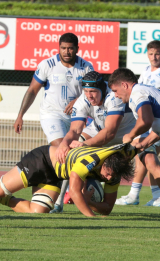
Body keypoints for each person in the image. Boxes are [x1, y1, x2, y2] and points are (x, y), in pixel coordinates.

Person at [14, 32, 94, 214]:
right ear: (59, 48)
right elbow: (32, 91)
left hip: (77, 117)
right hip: (52, 115)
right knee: (61, 150)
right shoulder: (47, 65)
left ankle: (60, 200)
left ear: (77, 49)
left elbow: (93, 91)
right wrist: (20, 115)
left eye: (70, 48)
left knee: (72, 154)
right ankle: (57, 200)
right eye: (63, 48)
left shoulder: (86, 67)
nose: (66, 52)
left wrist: (79, 99)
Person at [0, 143, 136, 217]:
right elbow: (73, 191)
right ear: (104, 163)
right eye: (108, 173)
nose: (107, 178)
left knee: (37, 212)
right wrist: (91, 217)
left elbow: (107, 209)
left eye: (112, 177)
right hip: (40, 161)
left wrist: (89, 202)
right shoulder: (89, 160)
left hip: (55, 175)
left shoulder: (114, 174)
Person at [52, 71, 138, 210]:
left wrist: (84, 144)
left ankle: (136, 194)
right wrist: (64, 143)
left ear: (102, 89)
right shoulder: (82, 100)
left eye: (92, 91)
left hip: (124, 135)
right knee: (69, 151)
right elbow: (74, 130)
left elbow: (110, 133)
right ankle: (59, 202)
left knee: (147, 159)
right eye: (86, 91)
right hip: (98, 129)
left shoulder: (113, 97)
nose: (89, 96)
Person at [116, 40, 160, 207]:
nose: (154, 57)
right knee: (145, 154)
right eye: (151, 54)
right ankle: (152, 196)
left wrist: (132, 134)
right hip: (159, 123)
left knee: (152, 160)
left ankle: (151, 196)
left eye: (157, 54)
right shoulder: (146, 71)